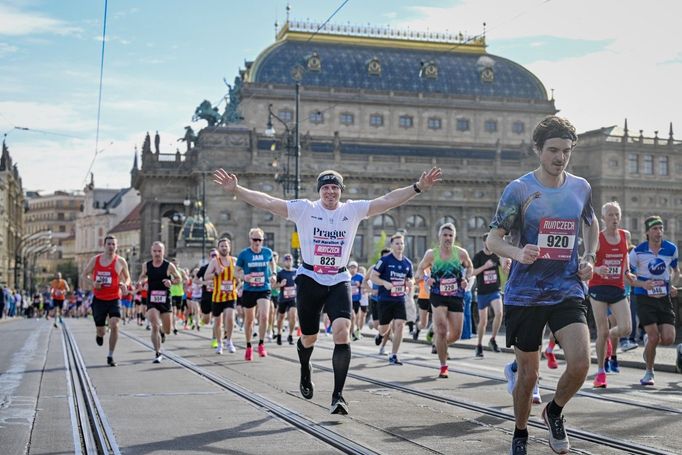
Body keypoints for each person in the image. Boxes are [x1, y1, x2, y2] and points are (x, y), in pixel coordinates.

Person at [213, 166, 441, 415]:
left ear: (340, 191)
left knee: (342, 332)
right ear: (319, 191)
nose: (330, 192)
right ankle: (305, 367)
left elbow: (386, 201)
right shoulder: (305, 210)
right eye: (325, 187)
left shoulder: (352, 210)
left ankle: (338, 396)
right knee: (309, 336)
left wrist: (417, 188)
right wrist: (236, 189)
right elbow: (268, 201)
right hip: (310, 278)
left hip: (338, 278)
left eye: (334, 187)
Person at [486, 116, 598, 455]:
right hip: (525, 293)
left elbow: (589, 223)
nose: (560, 157)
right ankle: (520, 431)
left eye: (566, 151)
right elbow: (493, 240)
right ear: (538, 150)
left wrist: (589, 255)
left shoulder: (581, 187)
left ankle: (555, 411)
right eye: (553, 150)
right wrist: (519, 252)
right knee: (529, 376)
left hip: (567, 287)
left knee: (581, 363)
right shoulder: (519, 189)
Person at [415, 222, 473, 379]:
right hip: (437, 294)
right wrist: (426, 278)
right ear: (439, 237)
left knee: (456, 335)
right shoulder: (431, 254)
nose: (448, 238)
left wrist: (466, 278)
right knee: (440, 329)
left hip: (456, 295)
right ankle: (443, 365)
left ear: (454, 237)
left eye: (451, 235)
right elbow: (419, 271)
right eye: (445, 235)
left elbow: (469, 267)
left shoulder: (461, 253)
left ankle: (439, 344)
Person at [587, 201, 634, 387]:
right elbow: (586, 261)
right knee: (602, 330)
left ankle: (607, 338)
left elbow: (625, 255)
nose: (614, 218)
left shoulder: (625, 236)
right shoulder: (597, 238)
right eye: (610, 215)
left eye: (617, 215)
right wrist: (597, 269)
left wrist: (627, 271)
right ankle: (600, 373)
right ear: (604, 218)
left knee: (626, 329)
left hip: (618, 287)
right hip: (598, 287)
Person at [629, 215, 679, 386]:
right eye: (655, 229)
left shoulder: (671, 249)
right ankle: (649, 372)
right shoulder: (637, 252)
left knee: (668, 339)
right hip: (644, 298)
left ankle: (648, 344)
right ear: (647, 232)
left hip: (664, 298)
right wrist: (644, 284)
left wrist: (672, 285)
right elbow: (629, 277)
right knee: (653, 336)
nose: (659, 232)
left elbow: (676, 271)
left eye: (661, 228)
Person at [81, 235, 131, 366]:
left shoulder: (120, 261)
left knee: (114, 324)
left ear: (117, 246)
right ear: (104, 245)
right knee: (101, 331)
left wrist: (125, 284)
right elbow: (84, 275)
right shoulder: (95, 260)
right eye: (109, 244)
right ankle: (99, 334)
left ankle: (110, 355)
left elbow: (128, 278)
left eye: (113, 244)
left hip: (114, 298)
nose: (111, 247)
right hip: (99, 299)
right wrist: (93, 283)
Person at [371, 233, 413, 365]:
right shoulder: (385, 260)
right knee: (384, 328)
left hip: (399, 299)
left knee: (400, 325)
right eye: (397, 243)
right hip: (385, 299)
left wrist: (410, 283)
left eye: (401, 243)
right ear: (392, 245)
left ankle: (394, 355)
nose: (400, 246)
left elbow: (409, 278)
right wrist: (384, 283)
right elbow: (373, 276)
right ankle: (380, 334)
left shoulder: (407, 263)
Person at [137, 241, 183, 363]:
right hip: (152, 299)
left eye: (159, 251)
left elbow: (179, 278)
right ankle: (158, 352)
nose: (157, 254)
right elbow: (142, 276)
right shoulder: (146, 265)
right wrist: (141, 281)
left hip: (165, 299)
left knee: (167, 330)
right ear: (151, 252)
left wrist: (171, 282)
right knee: (154, 325)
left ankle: (163, 332)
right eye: (155, 251)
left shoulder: (169, 266)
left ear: (164, 252)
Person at [236, 227, 276, 361]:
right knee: (249, 320)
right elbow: (236, 271)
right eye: (255, 239)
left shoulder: (267, 252)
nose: (257, 242)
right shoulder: (244, 254)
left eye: (260, 240)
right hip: (249, 289)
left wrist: (274, 274)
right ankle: (248, 346)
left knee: (264, 316)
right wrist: (244, 276)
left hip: (264, 288)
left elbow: (272, 263)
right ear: (250, 239)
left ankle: (261, 343)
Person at [471, 234, 508, 357]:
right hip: (482, 292)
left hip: (494, 290)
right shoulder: (478, 256)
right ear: (484, 243)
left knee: (499, 313)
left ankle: (492, 339)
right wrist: (485, 267)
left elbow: (503, 268)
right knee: (483, 321)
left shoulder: (495, 255)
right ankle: (479, 345)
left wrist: (505, 265)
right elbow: (472, 272)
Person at [205, 238, 239, 354]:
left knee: (230, 318)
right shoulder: (215, 261)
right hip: (218, 296)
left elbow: (242, 274)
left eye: (226, 246)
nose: (224, 248)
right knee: (218, 322)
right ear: (218, 248)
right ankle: (220, 343)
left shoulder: (234, 261)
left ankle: (229, 341)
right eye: (222, 246)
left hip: (231, 295)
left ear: (230, 248)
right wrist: (216, 273)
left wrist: (239, 279)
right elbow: (206, 276)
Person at [275, 253, 298, 345]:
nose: (289, 262)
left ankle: (290, 335)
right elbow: (274, 286)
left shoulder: (296, 272)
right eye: (287, 260)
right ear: (284, 262)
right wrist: (280, 285)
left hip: (293, 298)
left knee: (293, 316)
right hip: (283, 299)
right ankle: (279, 334)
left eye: (290, 260)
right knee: (281, 317)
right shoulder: (280, 273)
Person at [348, 261, 363, 341]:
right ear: (349, 268)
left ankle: (355, 332)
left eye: (354, 267)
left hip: (357, 299)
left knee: (357, 318)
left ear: (357, 269)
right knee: (352, 316)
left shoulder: (360, 277)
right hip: (348, 300)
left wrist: (360, 285)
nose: (353, 269)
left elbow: (365, 285)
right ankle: (351, 333)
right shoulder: (347, 276)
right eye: (351, 267)